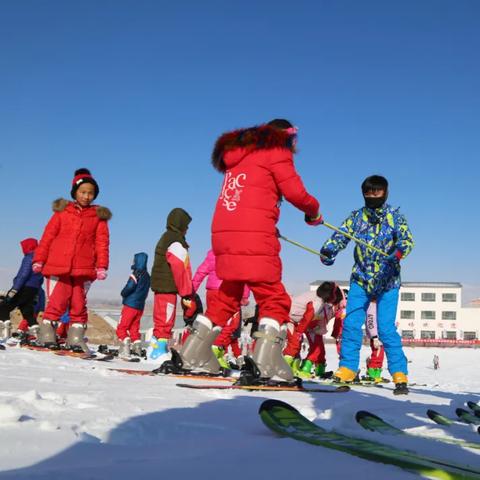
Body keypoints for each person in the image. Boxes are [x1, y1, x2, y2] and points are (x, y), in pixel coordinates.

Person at [168, 119, 322, 385]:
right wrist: (314, 212)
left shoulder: (240, 156)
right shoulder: (276, 151)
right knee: (273, 296)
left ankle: (193, 351)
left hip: (224, 233)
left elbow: (245, 197)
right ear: (285, 137)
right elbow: (295, 192)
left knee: (228, 295)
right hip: (254, 234)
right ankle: (266, 363)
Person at [320, 175, 414, 394]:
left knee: (385, 328)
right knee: (351, 324)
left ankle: (400, 372)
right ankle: (348, 368)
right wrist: (329, 251)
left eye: (377, 192)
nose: (373, 196)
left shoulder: (394, 216)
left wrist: (398, 252)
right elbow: (340, 236)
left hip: (388, 281)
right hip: (361, 279)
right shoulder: (357, 217)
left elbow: (407, 240)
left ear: (385, 192)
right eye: (368, 193)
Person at [33, 168, 111, 352]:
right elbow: (48, 237)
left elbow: (102, 242)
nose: (86, 196)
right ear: (75, 193)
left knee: (78, 303)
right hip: (58, 265)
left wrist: (101, 265)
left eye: (90, 193)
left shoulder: (98, 216)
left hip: (84, 268)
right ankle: (47, 333)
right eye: (83, 192)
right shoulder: (62, 212)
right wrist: (39, 259)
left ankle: (75, 337)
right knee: (57, 301)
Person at [149, 208, 196, 360]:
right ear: (180, 225)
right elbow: (180, 267)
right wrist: (186, 291)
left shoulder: (166, 237)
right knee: (166, 318)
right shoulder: (175, 241)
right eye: (186, 227)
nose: (187, 230)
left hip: (161, 285)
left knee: (160, 316)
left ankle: (154, 347)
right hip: (168, 286)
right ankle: (159, 352)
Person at [191, 248, 250, 368]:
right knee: (230, 324)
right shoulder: (237, 252)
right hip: (228, 292)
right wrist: (244, 295)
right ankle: (214, 350)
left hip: (211, 292)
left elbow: (201, 271)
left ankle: (199, 350)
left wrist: (191, 290)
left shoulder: (213, 252)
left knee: (211, 322)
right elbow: (244, 275)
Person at [283, 282, 344, 379]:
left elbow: (315, 318)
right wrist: (299, 332)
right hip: (288, 318)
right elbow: (308, 316)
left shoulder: (321, 301)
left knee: (314, 347)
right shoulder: (317, 302)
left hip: (300, 322)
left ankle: (295, 368)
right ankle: (283, 368)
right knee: (295, 343)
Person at [0, 238, 44, 341]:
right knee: (27, 311)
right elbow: (40, 278)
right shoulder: (40, 260)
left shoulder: (29, 258)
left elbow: (23, 275)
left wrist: (14, 289)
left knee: (3, 307)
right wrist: (36, 292)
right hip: (33, 290)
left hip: (23, 287)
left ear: (27, 247)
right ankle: (37, 334)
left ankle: (6, 334)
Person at [116, 252, 150, 359]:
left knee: (122, 327)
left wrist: (123, 293)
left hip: (130, 305)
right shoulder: (147, 276)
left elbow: (129, 287)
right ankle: (137, 348)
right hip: (140, 306)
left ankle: (125, 349)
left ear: (136, 261)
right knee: (134, 328)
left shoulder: (136, 274)